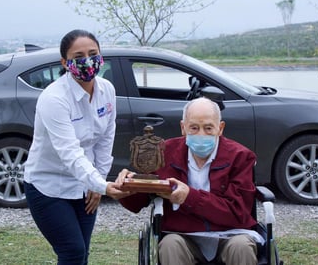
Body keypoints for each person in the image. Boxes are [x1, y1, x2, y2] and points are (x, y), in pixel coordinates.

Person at [24, 29, 128, 265]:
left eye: (93, 54)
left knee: (83, 254)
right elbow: (69, 152)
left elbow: (105, 140)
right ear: (65, 62)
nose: (88, 61)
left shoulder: (107, 90)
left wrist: (97, 182)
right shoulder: (54, 99)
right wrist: (104, 186)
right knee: (72, 251)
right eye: (79, 56)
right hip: (48, 185)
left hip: (85, 185)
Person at [117, 97, 261, 265]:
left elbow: (238, 213)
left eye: (208, 128)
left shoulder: (240, 157)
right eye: (194, 128)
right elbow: (137, 202)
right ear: (183, 128)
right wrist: (127, 186)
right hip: (183, 234)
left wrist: (189, 197)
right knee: (170, 244)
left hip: (230, 233)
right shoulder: (164, 152)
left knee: (241, 246)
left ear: (220, 128)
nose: (201, 134)